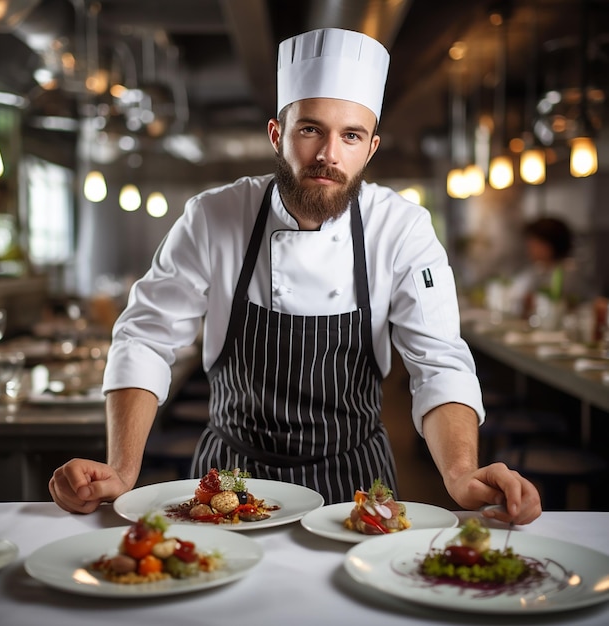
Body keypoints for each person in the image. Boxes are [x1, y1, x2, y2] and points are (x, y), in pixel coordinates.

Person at [49, 27, 541, 525]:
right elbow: (145, 338)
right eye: (310, 129)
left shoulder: (403, 229)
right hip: (230, 481)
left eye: (350, 135)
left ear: (370, 149)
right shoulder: (213, 216)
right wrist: (121, 467)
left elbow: (439, 362)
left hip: (356, 483)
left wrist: (459, 473)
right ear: (277, 135)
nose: (329, 154)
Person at [507, 217, 578, 319]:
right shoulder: (536, 270)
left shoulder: (569, 272)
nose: (529, 247)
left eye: (534, 243)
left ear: (549, 245)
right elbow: (516, 293)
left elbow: (566, 305)